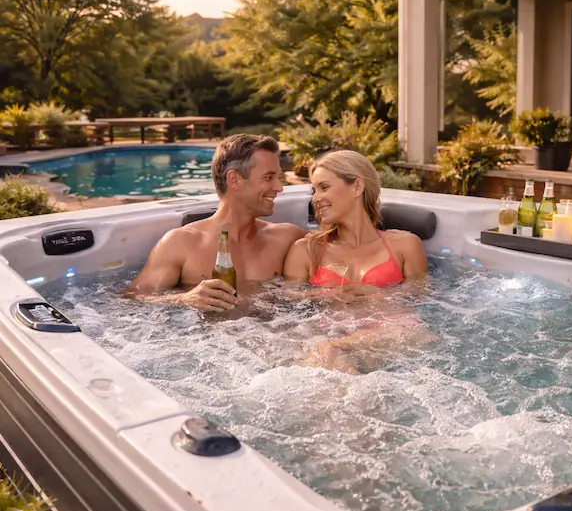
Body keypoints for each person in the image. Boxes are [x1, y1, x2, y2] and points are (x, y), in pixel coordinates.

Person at [283, 149, 429, 372]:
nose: (315, 198)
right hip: (328, 334)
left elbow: (423, 298)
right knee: (324, 351)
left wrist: (381, 296)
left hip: (390, 334)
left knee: (329, 352)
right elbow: (285, 305)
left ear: (357, 187)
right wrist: (322, 295)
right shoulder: (306, 250)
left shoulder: (405, 245)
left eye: (324, 187)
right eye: (313, 190)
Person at [126, 134, 305, 311]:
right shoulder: (181, 243)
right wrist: (183, 298)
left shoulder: (288, 238)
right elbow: (132, 298)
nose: (279, 187)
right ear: (234, 180)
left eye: (278, 177)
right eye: (269, 177)